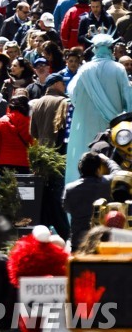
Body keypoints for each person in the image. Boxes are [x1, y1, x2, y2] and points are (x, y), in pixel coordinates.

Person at [66, 34, 132, 184]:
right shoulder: (118, 69)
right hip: (113, 126)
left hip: (85, 125)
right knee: (111, 163)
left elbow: (72, 94)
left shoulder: (84, 70)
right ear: (111, 49)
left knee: (84, 160)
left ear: (94, 49)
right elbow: (128, 100)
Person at [63, 151, 122, 252]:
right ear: (98, 169)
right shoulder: (106, 183)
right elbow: (118, 172)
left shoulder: (69, 188)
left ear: (80, 168)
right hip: (102, 242)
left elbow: (66, 208)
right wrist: (107, 160)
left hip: (78, 242)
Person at [0, 95, 33, 172]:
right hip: (24, 163)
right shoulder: (29, 122)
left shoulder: (2, 121)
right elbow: (33, 144)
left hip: (4, 163)